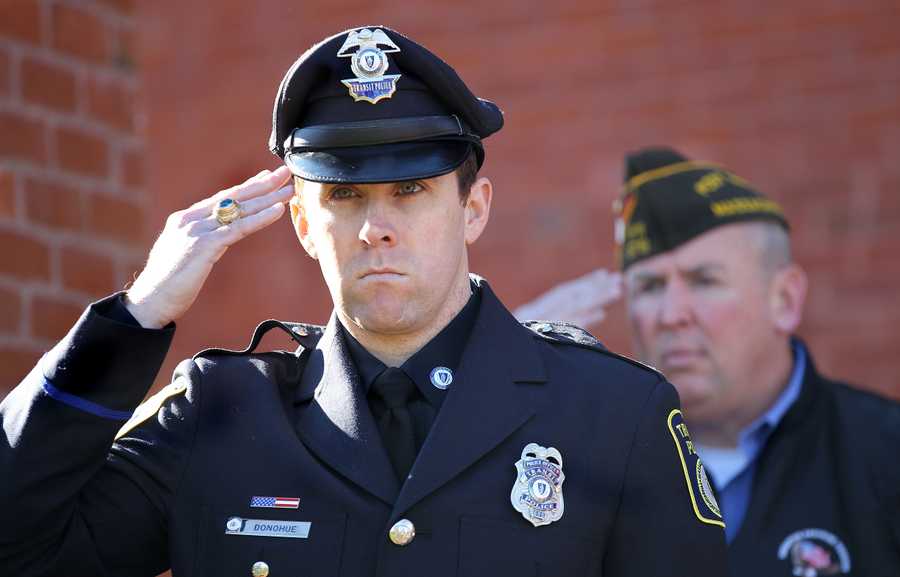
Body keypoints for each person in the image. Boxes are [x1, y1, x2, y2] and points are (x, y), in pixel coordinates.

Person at [0, 28, 729, 576]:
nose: (376, 226)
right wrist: (139, 313)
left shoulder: (614, 417)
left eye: (409, 192)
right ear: (302, 224)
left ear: (474, 208)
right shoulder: (217, 416)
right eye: (344, 196)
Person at [616, 147, 900, 576]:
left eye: (705, 281)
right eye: (651, 286)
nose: (671, 314)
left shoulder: (884, 455)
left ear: (784, 299)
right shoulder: (591, 467)